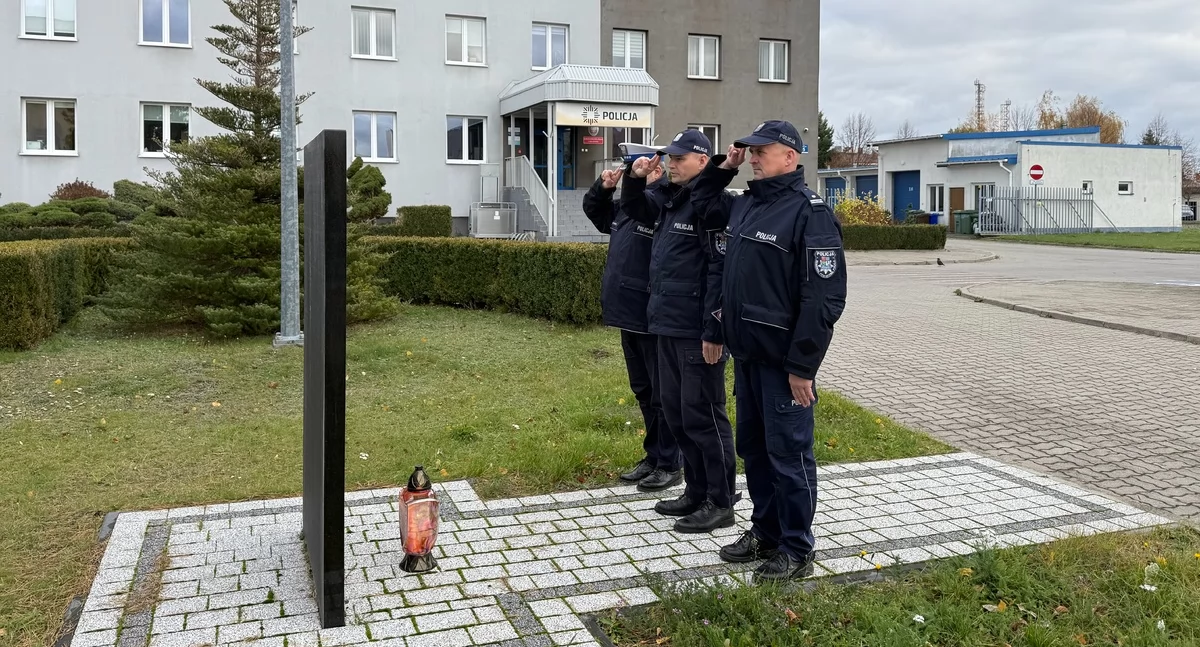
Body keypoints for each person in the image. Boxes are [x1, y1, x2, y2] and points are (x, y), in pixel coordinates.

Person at [690, 120, 847, 581]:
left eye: (762, 151)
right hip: (749, 355)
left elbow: (823, 298)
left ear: (791, 158)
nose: (753, 157)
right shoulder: (747, 205)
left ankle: (796, 548)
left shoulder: (808, 212)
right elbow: (702, 207)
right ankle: (765, 531)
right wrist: (724, 168)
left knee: (789, 455)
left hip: (784, 363)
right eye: (751, 151)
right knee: (755, 451)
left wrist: (803, 365)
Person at [620, 130, 736, 534]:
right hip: (665, 325)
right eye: (670, 157)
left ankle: (720, 501)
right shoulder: (672, 201)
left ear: (703, 161)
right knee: (678, 413)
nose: (671, 163)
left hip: (696, 330)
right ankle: (696, 490)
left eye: (681, 158)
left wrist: (714, 330)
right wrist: (634, 176)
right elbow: (634, 208)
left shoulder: (712, 205)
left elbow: (720, 271)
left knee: (704, 416)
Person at [581, 159, 682, 492]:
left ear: (658, 171)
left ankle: (669, 463)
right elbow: (595, 212)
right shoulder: (628, 206)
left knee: (662, 394)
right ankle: (653, 457)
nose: (635, 173)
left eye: (643, 167)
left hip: (650, 315)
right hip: (627, 314)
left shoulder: (662, 205)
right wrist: (604, 187)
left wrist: (638, 185)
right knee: (643, 391)